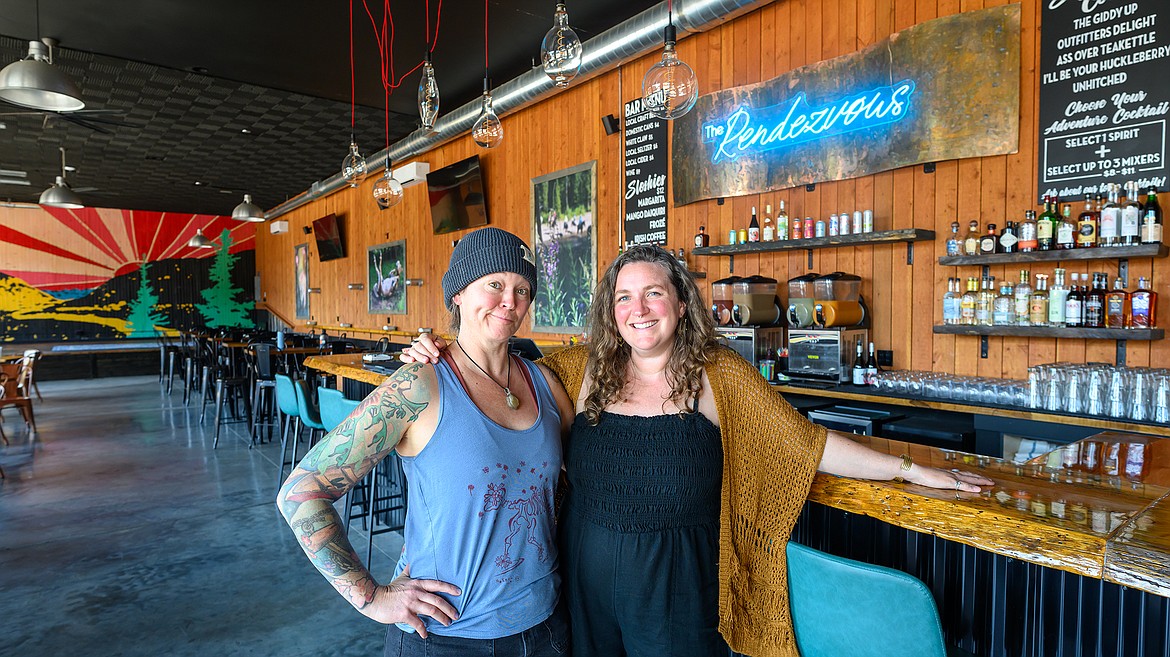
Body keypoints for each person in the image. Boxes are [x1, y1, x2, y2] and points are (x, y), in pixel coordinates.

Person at [402, 244, 993, 657]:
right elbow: (497, 350)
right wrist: (434, 348)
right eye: (624, 298)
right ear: (611, 312)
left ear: (680, 303)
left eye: (653, 294)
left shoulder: (719, 376)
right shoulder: (578, 371)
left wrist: (912, 469)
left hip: (680, 585)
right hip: (583, 582)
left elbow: (803, 444)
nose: (638, 311)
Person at [278, 227, 575, 656]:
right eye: (494, 284)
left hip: (545, 628)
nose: (510, 300)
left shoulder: (544, 382)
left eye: (523, 288)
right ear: (457, 293)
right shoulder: (421, 383)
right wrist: (373, 598)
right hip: (445, 636)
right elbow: (301, 492)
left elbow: (581, 472)